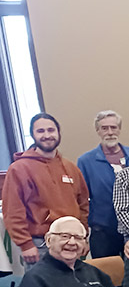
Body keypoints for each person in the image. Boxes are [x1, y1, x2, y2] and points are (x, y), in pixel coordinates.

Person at [2, 113, 89, 267]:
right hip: (41, 244)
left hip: (72, 242)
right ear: (33, 135)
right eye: (40, 131)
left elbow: (83, 205)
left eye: (51, 130)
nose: (47, 135)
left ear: (58, 133)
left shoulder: (70, 168)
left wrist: (83, 236)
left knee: (73, 286)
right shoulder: (19, 169)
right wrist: (25, 244)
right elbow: (13, 211)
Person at [77, 110, 129, 258]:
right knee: (106, 274)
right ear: (98, 131)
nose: (110, 132)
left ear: (119, 129)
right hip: (103, 231)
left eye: (114, 127)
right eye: (105, 128)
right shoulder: (86, 161)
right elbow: (81, 199)